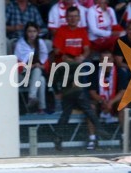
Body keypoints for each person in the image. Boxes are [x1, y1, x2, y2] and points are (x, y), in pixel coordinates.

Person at [53, 6, 100, 149]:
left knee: (87, 66)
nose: (73, 19)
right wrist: (71, 58)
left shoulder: (82, 31)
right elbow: (57, 51)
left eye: (75, 16)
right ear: (66, 18)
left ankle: (83, 97)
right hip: (66, 67)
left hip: (78, 65)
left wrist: (82, 57)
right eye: (70, 16)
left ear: (79, 18)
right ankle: (82, 98)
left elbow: (86, 49)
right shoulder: (61, 31)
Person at [15, 21, 50, 113]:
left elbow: (45, 63)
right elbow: (19, 66)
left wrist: (40, 66)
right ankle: (36, 101)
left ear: (37, 32)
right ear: (26, 32)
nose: (32, 34)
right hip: (22, 74)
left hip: (35, 74)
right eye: (29, 31)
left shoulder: (40, 43)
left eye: (34, 31)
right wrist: (33, 66)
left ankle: (36, 102)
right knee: (39, 76)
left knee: (41, 78)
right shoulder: (21, 44)